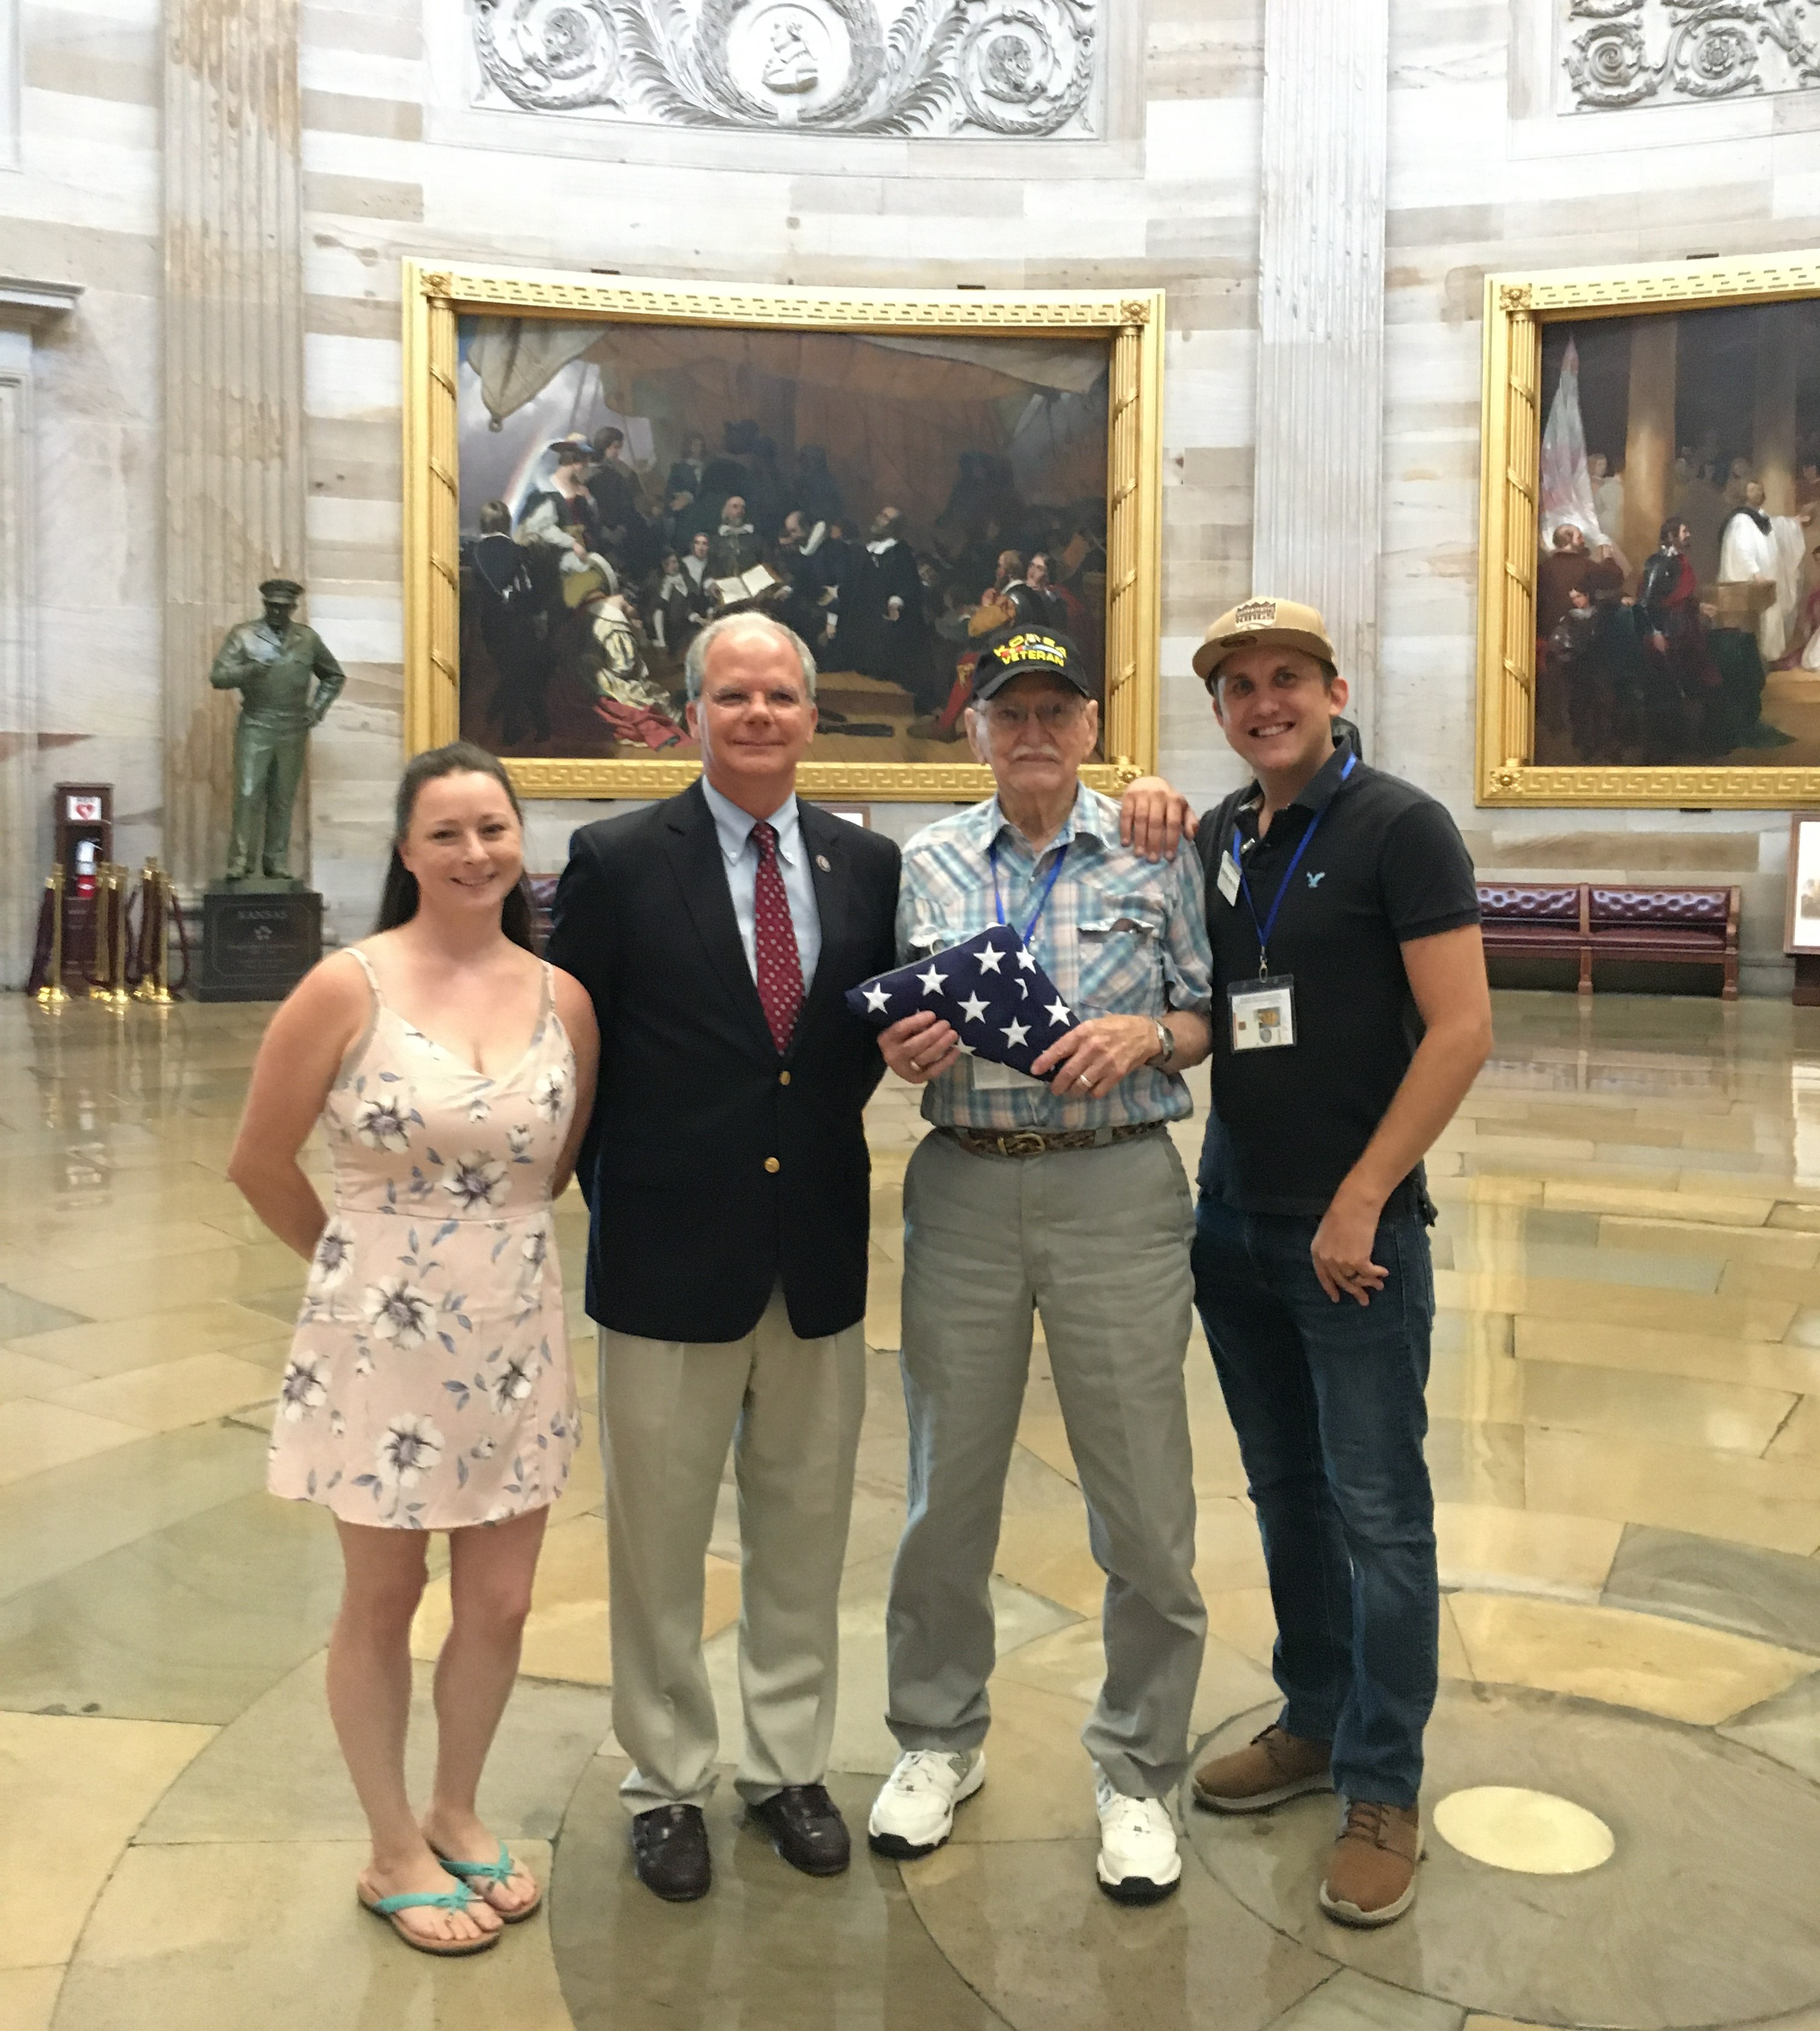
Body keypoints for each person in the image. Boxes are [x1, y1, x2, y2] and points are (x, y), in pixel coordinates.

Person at [1119, 597, 1491, 1932]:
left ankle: (1382, 1784)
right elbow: (1207, 1011)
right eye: (1236, 687)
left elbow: (1457, 1031)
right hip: (1233, 1219)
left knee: (1377, 1511)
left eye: (1285, 679)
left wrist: (1361, 1195)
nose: (1261, 702)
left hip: (1353, 1231)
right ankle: (1315, 1714)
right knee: (1282, 1492)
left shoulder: (1400, 827)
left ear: (1333, 690)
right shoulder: (1222, 836)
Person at [545, 612, 901, 1903]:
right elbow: (568, 1054)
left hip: (812, 1251)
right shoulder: (615, 860)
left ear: (811, 716)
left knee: (803, 1531)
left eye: (780, 696)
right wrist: (598, 1194)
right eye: (732, 695)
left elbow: (857, 1041)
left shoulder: (869, 869)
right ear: (688, 712)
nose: (758, 715)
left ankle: (789, 1767)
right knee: (656, 1541)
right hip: (662, 1254)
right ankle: (663, 1781)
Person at [228, 742, 600, 1957]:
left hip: (515, 1324)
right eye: (445, 832)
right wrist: (355, 1270)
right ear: (405, 850)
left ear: (518, 844)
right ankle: (392, 1844)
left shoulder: (562, 996)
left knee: (500, 1599)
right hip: (378, 1339)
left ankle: (457, 1803)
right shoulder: (347, 984)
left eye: (491, 828)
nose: (473, 851)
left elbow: (550, 1166)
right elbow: (258, 1159)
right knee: (384, 1595)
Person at [866, 625, 1215, 1908]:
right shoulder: (930, 861)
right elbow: (901, 1008)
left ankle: (1134, 1767)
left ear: (1085, 727)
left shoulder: (1151, 844)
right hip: (961, 1180)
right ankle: (932, 1739)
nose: (1028, 734)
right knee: (942, 1486)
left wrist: (1150, 1034)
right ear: (974, 731)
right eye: (1005, 714)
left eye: (1051, 713)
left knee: (1139, 1492)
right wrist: (903, 1046)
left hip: (1115, 1183)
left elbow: (1208, 1009)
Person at [834, 507, 939, 706]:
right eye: (880, 515)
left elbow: (908, 585)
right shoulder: (869, 549)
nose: (878, 519)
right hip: (862, 614)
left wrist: (896, 601)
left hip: (883, 617)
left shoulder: (900, 554)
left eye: (885, 518)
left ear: (895, 527)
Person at [1718, 479, 1812, 665]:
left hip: (1766, 582)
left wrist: (1793, 523)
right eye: (1752, 489)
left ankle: (1768, 658)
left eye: (1759, 488)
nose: (1758, 492)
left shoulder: (1759, 516)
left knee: (1769, 619)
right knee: (1755, 624)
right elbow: (1742, 550)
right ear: (1744, 494)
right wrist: (1756, 573)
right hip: (1751, 584)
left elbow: (1775, 527)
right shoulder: (1741, 520)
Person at [709, 494, 765, 581]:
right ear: (726, 510)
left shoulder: (756, 539)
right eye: (735, 507)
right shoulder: (716, 540)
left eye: (742, 508)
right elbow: (710, 566)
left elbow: (766, 563)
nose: (740, 511)